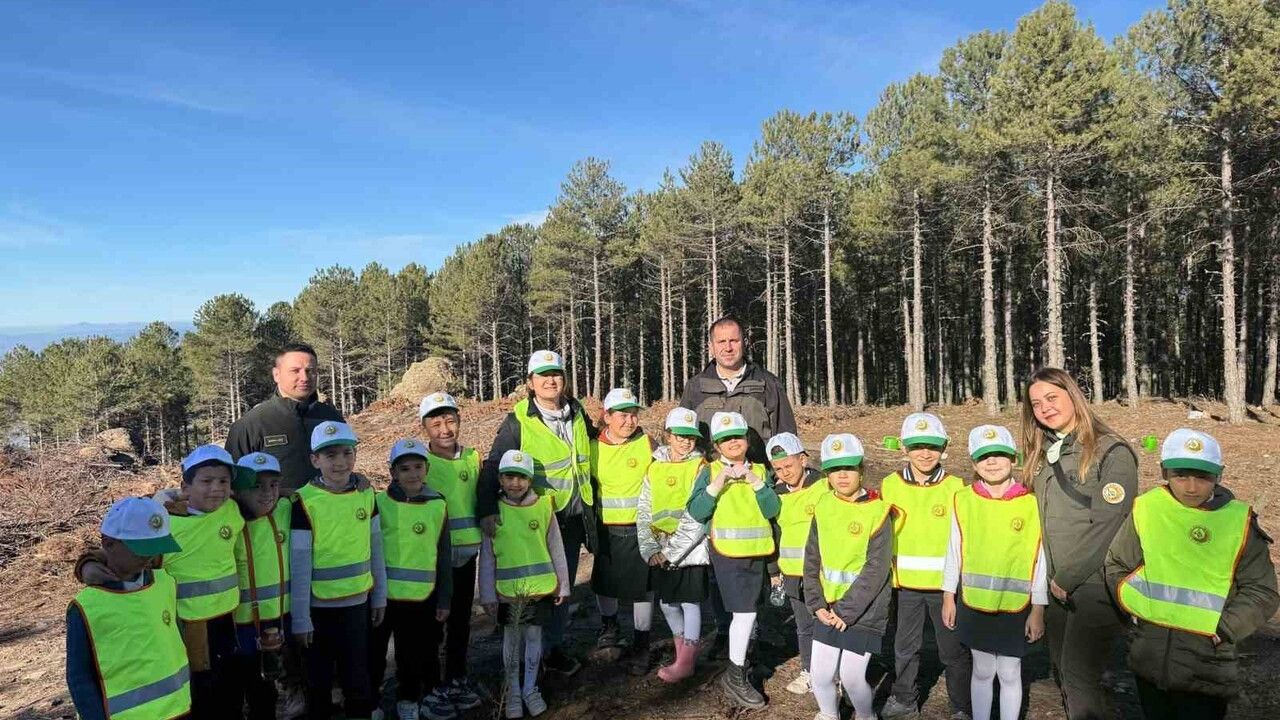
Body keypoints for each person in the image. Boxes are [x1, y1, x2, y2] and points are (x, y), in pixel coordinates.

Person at [1105, 429, 1279, 720]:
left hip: (1208, 666)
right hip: (1149, 656)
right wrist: (1135, 610)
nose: (1190, 487)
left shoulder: (1239, 522)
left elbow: (1262, 591)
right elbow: (1117, 564)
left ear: (1219, 476)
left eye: (1202, 477)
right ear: (1164, 472)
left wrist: (1224, 628)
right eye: (1180, 476)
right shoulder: (1147, 509)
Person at [1021, 367, 1138, 720]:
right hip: (1056, 584)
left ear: (1073, 395)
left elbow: (1108, 523)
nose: (1044, 408)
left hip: (1094, 583)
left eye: (1052, 398)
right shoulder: (1043, 455)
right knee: (1062, 669)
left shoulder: (1110, 451)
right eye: (1036, 403)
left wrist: (1065, 578)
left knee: (1078, 674)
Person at [478, 350, 596, 677]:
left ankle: (551, 650)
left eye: (555, 373)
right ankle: (521, 659)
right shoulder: (518, 420)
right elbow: (494, 464)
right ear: (531, 383)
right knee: (530, 592)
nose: (550, 380)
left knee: (561, 586)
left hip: (572, 517)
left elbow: (596, 449)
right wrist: (487, 508)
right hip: (535, 519)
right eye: (542, 375)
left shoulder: (577, 412)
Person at [942, 425, 1047, 720]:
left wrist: (1038, 608)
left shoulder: (1031, 502)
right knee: (983, 669)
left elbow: (1039, 558)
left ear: (1013, 458)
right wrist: (949, 595)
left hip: (1016, 606)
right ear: (974, 464)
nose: (992, 462)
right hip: (976, 603)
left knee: (1011, 672)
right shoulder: (963, 499)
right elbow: (954, 549)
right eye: (983, 456)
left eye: (999, 454)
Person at [290, 421, 387, 720]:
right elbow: (300, 563)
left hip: (357, 606)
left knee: (357, 680)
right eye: (331, 455)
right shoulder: (304, 502)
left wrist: (380, 596)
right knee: (318, 683)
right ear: (315, 460)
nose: (341, 462)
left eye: (347, 453)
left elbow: (376, 549)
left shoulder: (365, 495)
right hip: (318, 612)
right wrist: (301, 617)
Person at [880, 413, 972, 720]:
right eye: (917, 446)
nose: (924, 453)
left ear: (944, 447)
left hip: (944, 588)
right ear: (904, 448)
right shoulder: (889, 485)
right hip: (903, 587)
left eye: (932, 446)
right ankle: (904, 698)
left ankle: (962, 705)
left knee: (953, 650)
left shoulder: (957, 487)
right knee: (905, 647)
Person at [686, 411, 780, 709]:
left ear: (746, 439)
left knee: (751, 613)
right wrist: (719, 482)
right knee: (745, 614)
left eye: (737, 437)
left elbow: (772, 509)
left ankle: (744, 662)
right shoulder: (710, 471)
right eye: (725, 440)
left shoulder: (762, 472)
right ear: (717, 444)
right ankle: (735, 675)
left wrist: (754, 480)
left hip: (758, 554)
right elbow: (697, 510)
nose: (733, 443)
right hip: (728, 556)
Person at [66, 497, 190, 720]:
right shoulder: (86, 606)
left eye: (156, 547)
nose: (149, 557)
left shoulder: (165, 582)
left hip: (180, 709)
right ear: (109, 543)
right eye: (140, 549)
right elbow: (80, 678)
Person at [802, 433, 893, 720]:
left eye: (849, 467)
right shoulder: (824, 505)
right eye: (834, 469)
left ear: (862, 470)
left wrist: (846, 611)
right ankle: (829, 714)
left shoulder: (878, 512)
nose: (842, 475)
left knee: (852, 678)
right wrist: (815, 603)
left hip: (863, 612)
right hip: (827, 609)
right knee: (820, 674)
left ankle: (866, 715)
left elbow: (876, 569)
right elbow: (811, 558)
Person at [479, 450, 571, 719]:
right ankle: (513, 692)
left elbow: (556, 547)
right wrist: (487, 595)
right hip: (508, 593)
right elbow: (487, 558)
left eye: (521, 477)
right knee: (511, 639)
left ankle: (530, 688)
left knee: (533, 637)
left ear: (530, 480)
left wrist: (562, 585)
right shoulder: (494, 512)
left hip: (539, 588)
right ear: (500, 478)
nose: (515, 483)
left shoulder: (543, 507)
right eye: (509, 477)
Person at [161, 444, 248, 719]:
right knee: (202, 691)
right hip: (190, 625)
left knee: (232, 687)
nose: (216, 488)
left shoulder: (231, 511)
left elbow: (267, 494)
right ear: (185, 487)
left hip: (228, 618)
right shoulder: (167, 523)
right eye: (206, 481)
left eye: (223, 481)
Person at [370, 438, 454, 720]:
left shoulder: (437, 505)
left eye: (418, 467)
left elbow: (444, 555)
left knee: (411, 653)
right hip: (382, 597)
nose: (413, 474)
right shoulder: (377, 503)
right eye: (405, 469)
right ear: (393, 473)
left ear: (427, 468)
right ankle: (372, 701)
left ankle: (408, 698)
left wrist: (444, 598)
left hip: (421, 597)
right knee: (374, 653)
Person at [636, 406, 711, 683]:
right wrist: (650, 549)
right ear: (668, 435)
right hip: (660, 549)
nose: (685, 441)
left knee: (690, 603)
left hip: (689, 551)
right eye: (679, 435)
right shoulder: (654, 467)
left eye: (690, 437)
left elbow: (699, 515)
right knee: (668, 603)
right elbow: (644, 509)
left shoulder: (701, 468)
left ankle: (687, 661)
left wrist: (672, 552)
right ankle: (681, 651)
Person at [420, 392, 483, 710]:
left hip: (467, 555)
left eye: (450, 420)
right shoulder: (421, 463)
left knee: (460, 621)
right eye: (436, 422)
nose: (444, 429)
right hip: (434, 558)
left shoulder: (472, 457)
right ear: (424, 427)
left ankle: (457, 678)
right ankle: (432, 684)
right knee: (434, 623)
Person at [589, 387, 657, 674]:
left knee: (643, 588)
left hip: (639, 528)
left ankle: (642, 641)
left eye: (633, 415)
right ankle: (610, 627)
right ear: (607, 416)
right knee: (605, 582)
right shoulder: (592, 448)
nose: (629, 421)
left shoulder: (647, 443)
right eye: (623, 415)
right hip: (605, 528)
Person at [226, 343, 344, 494]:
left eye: (310, 371)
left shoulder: (331, 418)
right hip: (277, 515)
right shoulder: (251, 425)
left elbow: (345, 465)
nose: (305, 377)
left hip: (329, 513)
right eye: (295, 371)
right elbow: (232, 484)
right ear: (276, 374)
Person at [680, 316, 797, 464]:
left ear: (745, 343)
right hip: (709, 480)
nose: (728, 348)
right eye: (721, 342)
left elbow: (786, 437)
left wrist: (780, 475)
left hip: (758, 478)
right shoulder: (695, 387)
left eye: (734, 341)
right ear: (711, 347)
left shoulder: (768, 383)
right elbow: (682, 437)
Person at [231, 452, 293, 720]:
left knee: (266, 692)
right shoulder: (224, 518)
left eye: (273, 485)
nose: (267, 493)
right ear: (236, 489)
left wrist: (358, 479)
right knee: (234, 692)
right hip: (237, 627)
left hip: (279, 620)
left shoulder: (287, 508)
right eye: (256, 486)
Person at [766, 431, 828, 696]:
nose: (785, 473)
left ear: (803, 459)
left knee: (826, 623)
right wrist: (773, 571)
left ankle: (831, 674)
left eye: (789, 466)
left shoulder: (825, 486)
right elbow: (772, 533)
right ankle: (810, 670)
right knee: (804, 626)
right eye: (778, 469)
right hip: (791, 571)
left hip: (823, 574)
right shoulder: (775, 494)